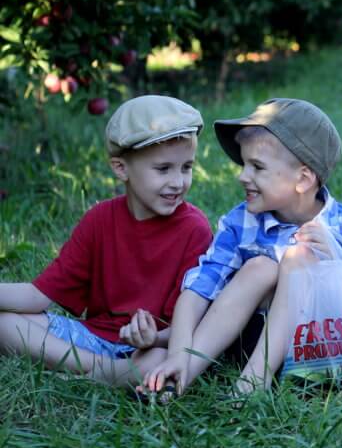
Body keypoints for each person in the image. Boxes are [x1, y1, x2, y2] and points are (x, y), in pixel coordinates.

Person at [142, 98, 342, 397]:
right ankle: (181, 374)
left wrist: (337, 262)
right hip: (247, 340)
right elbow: (201, 286)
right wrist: (180, 352)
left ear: (303, 178)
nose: (243, 176)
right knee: (261, 267)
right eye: (244, 164)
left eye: (257, 167)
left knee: (302, 257)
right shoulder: (242, 221)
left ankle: (255, 380)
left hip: (317, 345)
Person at [0, 95, 211, 386]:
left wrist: (153, 338)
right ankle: (101, 370)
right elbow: (38, 296)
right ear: (121, 168)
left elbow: (192, 324)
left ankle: (88, 370)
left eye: (186, 167)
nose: (178, 182)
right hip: (93, 338)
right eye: (163, 169)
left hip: (151, 347)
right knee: (5, 324)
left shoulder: (194, 230)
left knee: (163, 361)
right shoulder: (99, 219)